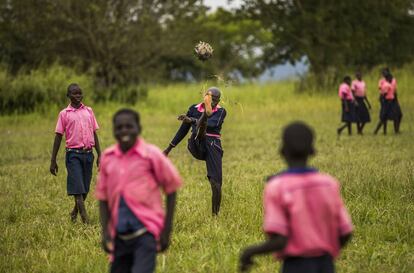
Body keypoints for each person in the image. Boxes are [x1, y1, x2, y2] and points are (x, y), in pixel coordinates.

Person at [239, 122, 353, 273]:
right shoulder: (329, 184)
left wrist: (249, 252)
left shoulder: (277, 187)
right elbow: (345, 232)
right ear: (312, 151)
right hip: (326, 264)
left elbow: (280, 239)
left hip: (295, 266)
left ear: (282, 151)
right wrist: (326, 251)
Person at [96, 109, 182, 273]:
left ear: (139, 128)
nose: (124, 131)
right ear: (114, 130)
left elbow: (172, 187)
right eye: (119, 127)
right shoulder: (108, 157)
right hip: (119, 236)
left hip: (146, 233)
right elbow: (103, 197)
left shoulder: (151, 155)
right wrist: (105, 233)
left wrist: (166, 230)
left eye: (129, 126)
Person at [163, 87, 226, 215]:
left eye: (215, 100)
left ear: (218, 100)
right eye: (210, 99)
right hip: (196, 144)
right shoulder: (193, 109)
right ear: (205, 96)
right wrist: (169, 148)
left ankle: (215, 215)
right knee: (198, 132)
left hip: (213, 144)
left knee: (216, 183)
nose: (212, 102)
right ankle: (203, 119)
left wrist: (191, 120)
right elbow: (182, 131)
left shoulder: (221, 111)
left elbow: (213, 125)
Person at [50, 83, 101, 223]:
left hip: (89, 154)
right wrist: (53, 160)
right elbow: (58, 136)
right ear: (68, 96)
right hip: (73, 155)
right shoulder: (64, 114)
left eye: (80, 93)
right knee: (78, 188)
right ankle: (85, 220)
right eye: (74, 93)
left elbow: (94, 134)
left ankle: (74, 212)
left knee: (84, 189)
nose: (77, 96)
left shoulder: (89, 111)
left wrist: (100, 155)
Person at [374, 70, 402, 134]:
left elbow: (394, 91)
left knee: (396, 115)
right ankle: (377, 131)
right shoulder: (385, 84)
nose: (390, 78)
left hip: (392, 100)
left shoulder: (392, 82)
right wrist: (384, 101)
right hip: (387, 101)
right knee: (384, 117)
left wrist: (395, 100)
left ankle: (396, 130)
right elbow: (383, 93)